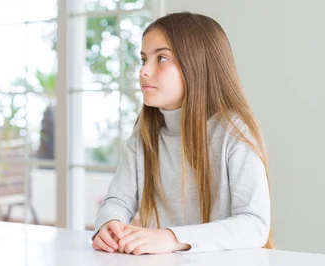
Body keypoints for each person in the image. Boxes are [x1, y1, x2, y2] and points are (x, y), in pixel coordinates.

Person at [92, 12, 274, 255]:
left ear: (197, 64)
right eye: (144, 59)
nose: (144, 71)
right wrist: (108, 223)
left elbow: (254, 225)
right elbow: (118, 200)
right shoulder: (143, 136)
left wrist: (172, 238)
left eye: (162, 58)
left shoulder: (234, 132)